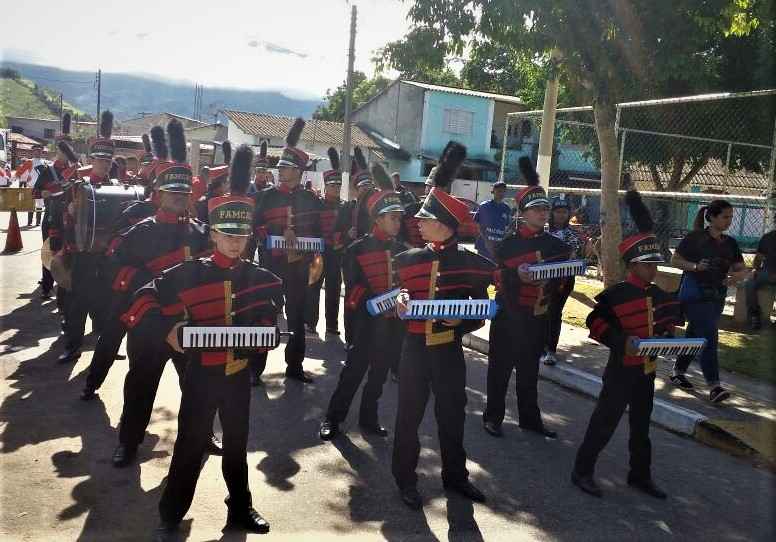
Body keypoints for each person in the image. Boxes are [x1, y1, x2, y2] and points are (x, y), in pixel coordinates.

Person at [125, 193, 282, 541]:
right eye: (227, 235)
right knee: (189, 444)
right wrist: (167, 330)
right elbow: (141, 300)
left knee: (237, 446)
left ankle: (240, 506)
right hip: (200, 377)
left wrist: (265, 329)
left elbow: (269, 315)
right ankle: (171, 512)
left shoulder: (261, 277)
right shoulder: (188, 273)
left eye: (240, 236)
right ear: (212, 234)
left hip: (238, 376)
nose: (234, 242)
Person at [392, 142, 495, 509]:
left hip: (448, 349)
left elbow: (480, 309)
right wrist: (401, 302)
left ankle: (456, 477)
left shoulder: (472, 263)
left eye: (425, 219)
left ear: (446, 226)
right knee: (408, 417)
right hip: (415, 349)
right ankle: (405, 479)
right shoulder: (407, 259)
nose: (417, 223)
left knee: (452, 416)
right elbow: (398, 296)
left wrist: (463, 321)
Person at [80, 121, 211, 409]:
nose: (178, 195)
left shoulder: (192, 224)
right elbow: (115, 255)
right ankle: (93, 382)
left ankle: (203, 431)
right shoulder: (137, 212)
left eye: (182, 191)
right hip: (132, 295)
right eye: (169, 186)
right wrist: (143, 283)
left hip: (177, 305)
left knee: (190, 370)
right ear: (158, 188)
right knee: (111, 337)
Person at [572, 190, 680, 500]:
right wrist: (622, 342)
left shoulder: (660, 294)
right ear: (632, 265)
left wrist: (668, 338)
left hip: (646, 372)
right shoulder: (615, 295)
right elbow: (595, 323)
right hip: (620, 369)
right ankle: (581, 471)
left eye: (655, 264)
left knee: (641, 429)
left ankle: (639, 476)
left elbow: (667, 325)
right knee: (604, 423)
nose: (654, 269)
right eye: (648, 265)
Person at [483, 157, 570, 440]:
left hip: (536, 317)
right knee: (499, 370)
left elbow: (564, 280)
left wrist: (555, 283)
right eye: (537, 209)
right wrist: (516, 276)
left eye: (545, 208)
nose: (544, 212)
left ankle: (530, 420)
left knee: (530, 373)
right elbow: (494, 277)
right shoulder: (506, 245)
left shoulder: (557, 245)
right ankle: (493, 418)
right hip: (508, 315)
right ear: (522, 213)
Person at [320, 163, 405, 441]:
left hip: (393, 326)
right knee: (353, 374)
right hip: (366, 325)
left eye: (399, 218)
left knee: (379, 376)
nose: (397, 222)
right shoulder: (356, 249)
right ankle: (333, 418)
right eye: (392, 218)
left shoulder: (404, 251)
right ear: (377, 219)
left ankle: (369, 419)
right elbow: (353, 291)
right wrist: (378, 302)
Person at [252, 117, 322, 383]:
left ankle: (294, 367)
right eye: (280, 167)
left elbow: (316, 232)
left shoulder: (309, 198)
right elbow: (255, 228)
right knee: (265, 315)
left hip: (299, 267)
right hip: (271, 265)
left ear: (300, 172)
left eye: (288, 168)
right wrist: (275, 237)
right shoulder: (265, 196)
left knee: (297, 318)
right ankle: (255, 370)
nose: (282, 171)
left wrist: (305, 243)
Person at [669, 199, 747, 403]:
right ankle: (714, 386)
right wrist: (695, 267)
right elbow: (675, 260)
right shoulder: (695, 238)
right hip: (695, 295)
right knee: (709, 338)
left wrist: (737, 276)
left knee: (695, 334)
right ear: (712, 217)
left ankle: (678, 372)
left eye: (731, 217)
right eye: (725, 216)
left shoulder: (730, 242)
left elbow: (741, 268)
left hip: (717, 297)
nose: (729, 221)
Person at [57, 111, 118, 364]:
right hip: (82, 253)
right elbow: (62, 219)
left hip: (107, 255)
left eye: (108, 160)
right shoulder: (78, 186)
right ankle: (73, 346)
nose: (104, 164)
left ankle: (105, 347)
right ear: (92, 159)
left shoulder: (117, 186)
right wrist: (70, 212)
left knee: (105, 301)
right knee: (78, 302)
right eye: (100, 160)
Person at [305, 147, 344, 337]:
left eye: (338, 186)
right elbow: (311, 228)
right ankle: (310, 323)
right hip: (318, 252)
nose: (336, 189)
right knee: (313, 287)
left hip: (337, 254)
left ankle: (332, 325)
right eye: (332, 186)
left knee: (334, 289)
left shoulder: (345, 207)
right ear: (326, 186)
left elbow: (348, 230)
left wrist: (343, 237)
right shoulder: (317, 204)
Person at [542, 196, 584, 365]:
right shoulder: (543, 231)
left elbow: (572, 256)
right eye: (557, 211)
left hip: (563, 279)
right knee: (541, 312)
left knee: (554, 312)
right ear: (552, 213)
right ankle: (540, 345)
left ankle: (551, 350)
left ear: (568, 214)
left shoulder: (571, 234)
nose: (560, 215)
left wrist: (562, 279)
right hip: (542, 277)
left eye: (564, 212)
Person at [745, 228, 776, 329]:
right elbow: (758, 257)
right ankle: (755, 315)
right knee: (750, 282)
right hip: (767, 272)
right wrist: (754, 270)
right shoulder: (768, 237)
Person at [473, 180, 511, 259]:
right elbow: (477, 224)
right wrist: (487, 241)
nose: (501, 194)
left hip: (498, 247)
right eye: (499, 191)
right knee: (482, 267)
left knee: (495, 269)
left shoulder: (507, 208)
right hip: (484, 245)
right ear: (493, 191)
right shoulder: (484, 206)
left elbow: (506, 228)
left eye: (503, 191)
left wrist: (504, 239)